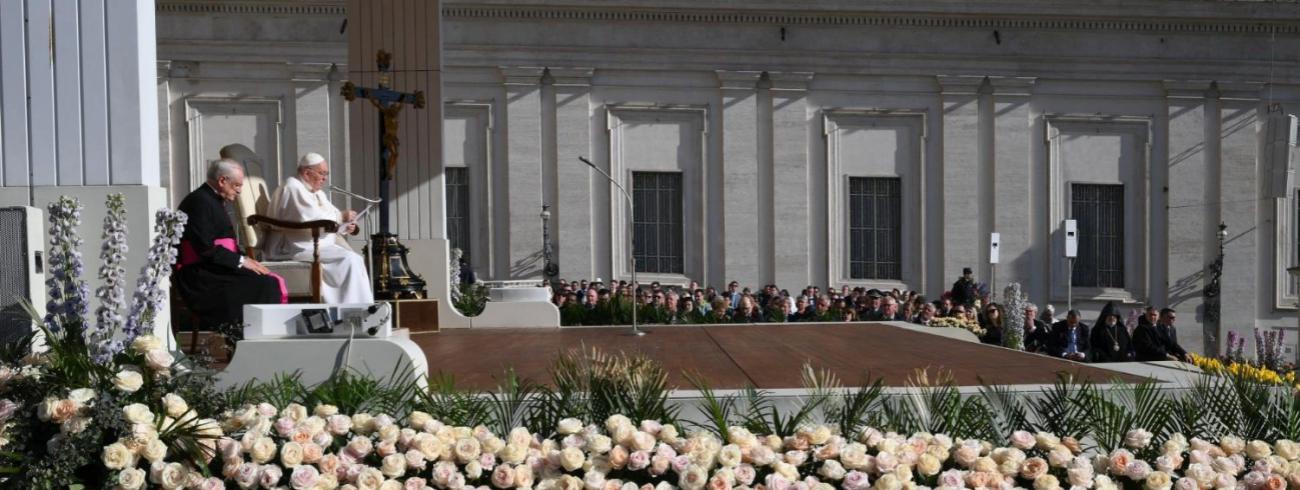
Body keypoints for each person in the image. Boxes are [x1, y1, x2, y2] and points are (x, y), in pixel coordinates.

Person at [174, 159, 286, 332]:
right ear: (222, 181)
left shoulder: (212, 199)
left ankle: (260, 336)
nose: (240, 191)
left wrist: (245, 259)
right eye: (237, 185)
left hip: (215, 267)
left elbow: (225, 244)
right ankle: (247, 336)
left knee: (266, 280)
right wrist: (241, 261)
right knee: (265, 284)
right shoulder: (199, 201)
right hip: (201, 275)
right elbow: (205, 248)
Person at [263, 153, 375, 304]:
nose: (325, 178)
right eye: (322, 173)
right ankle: (346, 309)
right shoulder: (292, 187)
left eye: (326, 174)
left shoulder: (316, 192)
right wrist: (341, 218)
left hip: (315, 244)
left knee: (354, 259)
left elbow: (331, 215)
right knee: (350, 259)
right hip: (295, 247)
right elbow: (306, 218)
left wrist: (343, 226)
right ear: (307, 173)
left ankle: (360, 310)